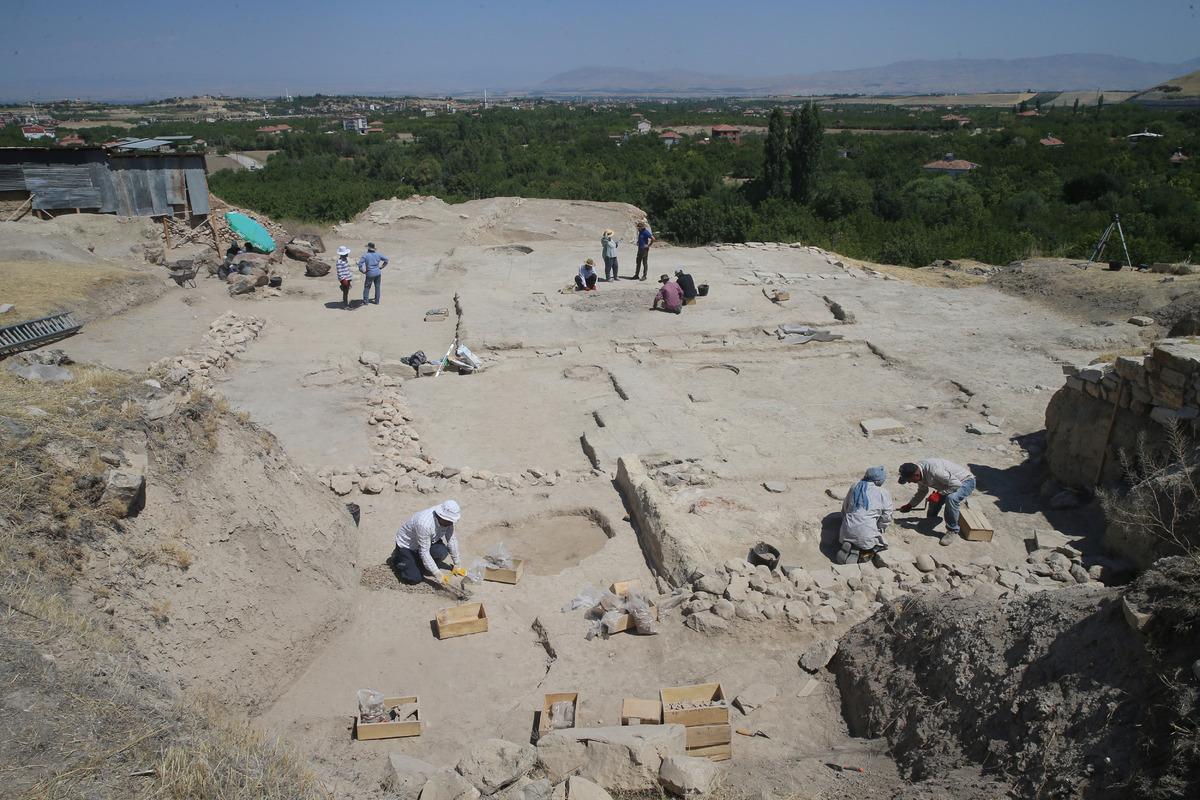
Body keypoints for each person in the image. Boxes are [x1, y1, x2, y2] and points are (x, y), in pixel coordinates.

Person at [898, 459, 976, 545]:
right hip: (948, 484)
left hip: (965, 482)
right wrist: (910, 505)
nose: (909, 482)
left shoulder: (935, 471)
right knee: (933, 498)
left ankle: (952, 530)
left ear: (916, 475)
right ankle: (932, 520)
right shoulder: (918, 472)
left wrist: (939, 494)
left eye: (909, 480)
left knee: (951, 498)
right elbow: (922, 491)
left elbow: (957, 485)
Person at [390, 500, 467, 585]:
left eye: (451, 521)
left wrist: (457, 564)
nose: (450, 523)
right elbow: (424, 552)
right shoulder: (424, 524)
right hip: (407, 546)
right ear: (440, 516)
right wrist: (437, 573)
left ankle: (418, 562)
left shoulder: (448, 521)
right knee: (414, 578)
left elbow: (452, 540)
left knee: (441, 552)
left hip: (427, 541)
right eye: (448, 521)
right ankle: (397, 559)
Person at [837, 466, 893, 564]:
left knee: (859, 531)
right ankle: (863, 552)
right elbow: (887, 516)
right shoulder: (883, 492)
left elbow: (845, 508)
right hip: (865, 536)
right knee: (882, 544)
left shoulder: (855, 486)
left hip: (845, 532)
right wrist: (880, 528)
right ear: (878, 480)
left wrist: (845, 522)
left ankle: (851, 545)